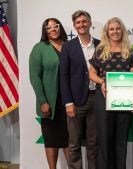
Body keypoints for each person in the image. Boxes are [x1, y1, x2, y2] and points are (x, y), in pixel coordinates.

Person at [89, 17, 133, 169]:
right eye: (112, 29)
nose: (115, 31)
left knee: (121, 140)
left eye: (117, 28)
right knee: (104, 139)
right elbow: (91, 74)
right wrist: (102, 82)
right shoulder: (100, 50)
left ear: (122, 30)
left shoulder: (129, 52)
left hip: (123, 99)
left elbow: (132, 77)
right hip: (103, 97)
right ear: (107, 32)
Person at [60, 10, 100, 169]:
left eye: (84, 21)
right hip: (76, 101)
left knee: (93, 142)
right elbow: (63, 76)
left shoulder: (100, 44)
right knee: (74, 143)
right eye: (78, 22)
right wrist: (68, 102)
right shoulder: (68, 47)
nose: (82, 24)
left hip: (97, 98)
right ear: (74, 26)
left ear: (90, 23)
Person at [29, 18, 69, 169]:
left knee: (69, 139)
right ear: (45, 31)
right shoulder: (39, 48)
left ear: (60, 28)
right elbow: (35, 77)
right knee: (51, 139)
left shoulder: (69, 46)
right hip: (50, 103)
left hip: (69, 101)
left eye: (55, 26)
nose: (53, 29)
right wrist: (42, 101)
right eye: (49, 27)